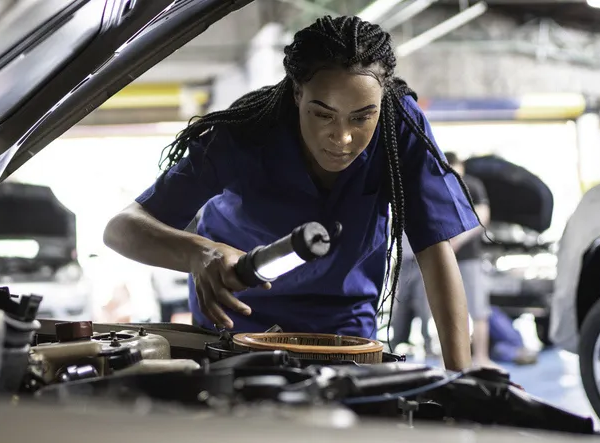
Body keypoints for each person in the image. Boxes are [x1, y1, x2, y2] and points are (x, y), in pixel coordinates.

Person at [102, 16, 481, 370]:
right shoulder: (244, 133)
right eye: (323, 114)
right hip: (237, 325)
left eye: (362, 116)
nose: (343, 137)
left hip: (344, 332)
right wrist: (200, 254)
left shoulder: (399, 125)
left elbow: (434, 251)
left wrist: (461, 380)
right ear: (298, 93)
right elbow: (121, 229)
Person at [443, 152, 495, 368]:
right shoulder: (441, 185)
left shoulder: (471, 185)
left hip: (469, 257)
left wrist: (458, 240)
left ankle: (481, 358)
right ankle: (450, 359)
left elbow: (482, 217)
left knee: (478, 310)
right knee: (449, 311)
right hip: (448, 258)